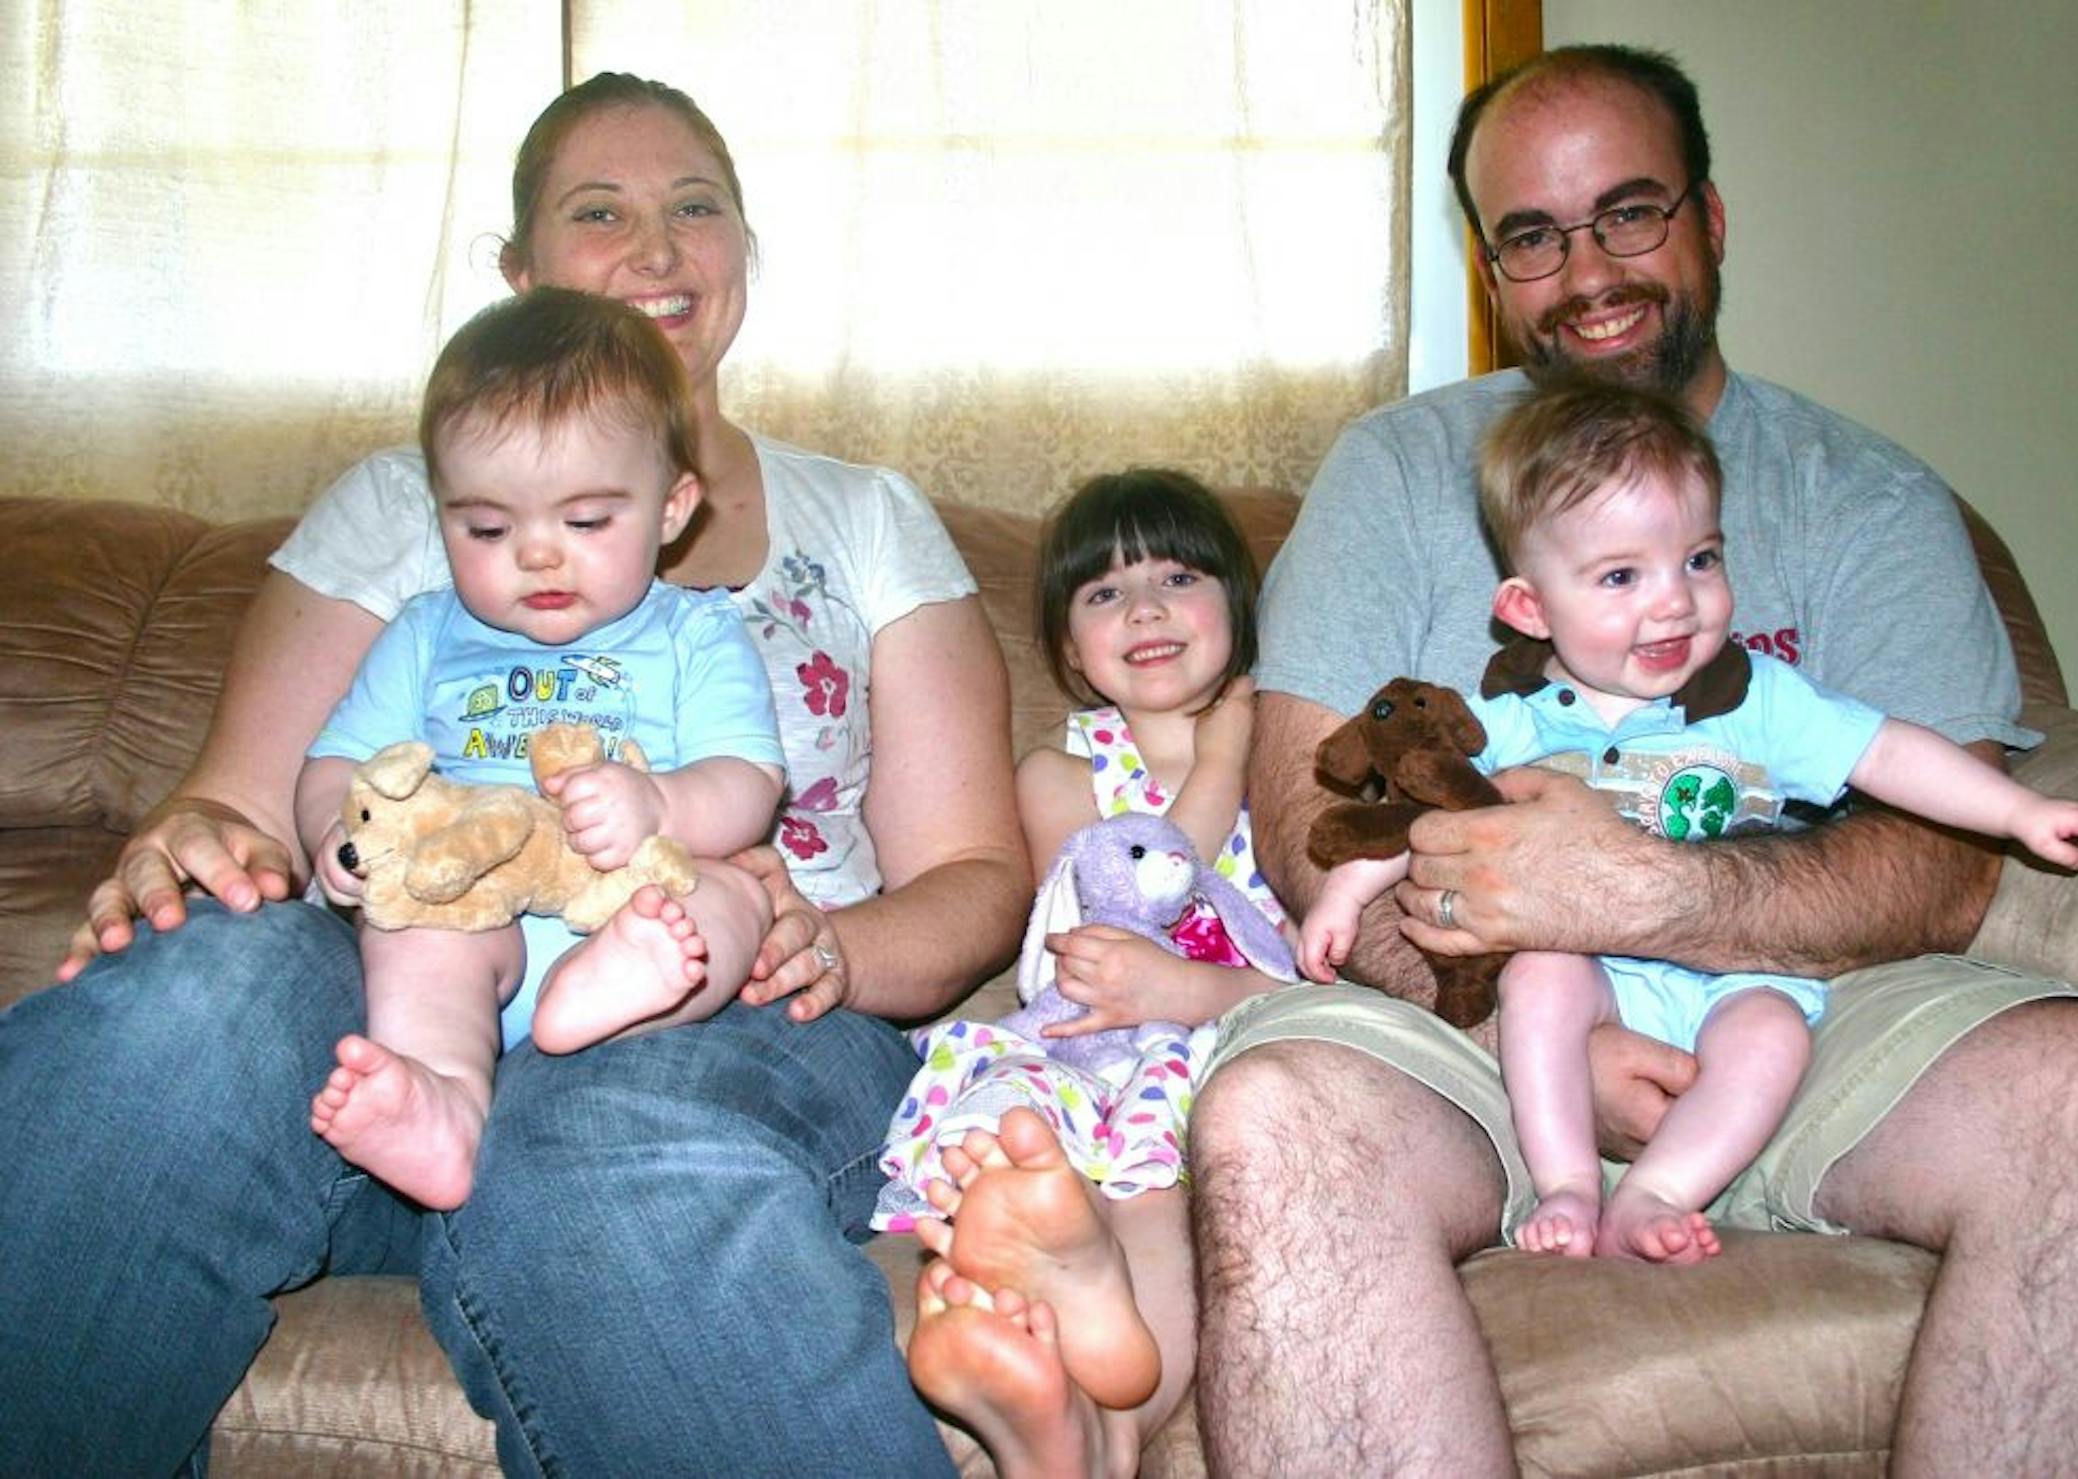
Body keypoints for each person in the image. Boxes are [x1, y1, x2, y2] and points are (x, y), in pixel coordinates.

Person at [0, 72, 1032, 1476]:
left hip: (736, 1024)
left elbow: (976, 874)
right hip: (418, 996)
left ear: (744, 252)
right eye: (600, 210)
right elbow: (252, 803)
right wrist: (197, 845)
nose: (658, 248)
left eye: (695, 209)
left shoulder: (865, 517)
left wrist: (822, 946)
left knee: (606, 1124)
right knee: (191, 996)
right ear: (518, 271)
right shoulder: (400, 507)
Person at [1189, 43, 2078, 1474]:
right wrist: (1561, 1031)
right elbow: (1304, 813)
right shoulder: (1394, 473)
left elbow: (1942, 854)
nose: (1586, 268)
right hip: (1472, 1019)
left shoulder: (1867, 497)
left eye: (1629, 212)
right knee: (1274, 1119)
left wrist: (1650, 900)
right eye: (1533, 233)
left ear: (1710, 218)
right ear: (1490, 268)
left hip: (1805, 1009)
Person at [1296, 379, 2078, 1265]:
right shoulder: (1514, 718)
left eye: (1700, 560)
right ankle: (1568, 1183)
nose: (1675, 601)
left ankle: (1664, 1187)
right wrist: (1343, 901)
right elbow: (1423, 816)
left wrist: (2022, 811)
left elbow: (1890, 754)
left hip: (1737, 964)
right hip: (1598, 973)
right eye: (1622, 576)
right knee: (1539, 980)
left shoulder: (1761, 699)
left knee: (1774, 1033)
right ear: (1530, 608)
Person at [301, 288, 788, 1211]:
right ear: (441, 512)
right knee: (411, 929)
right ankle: (446, 1098)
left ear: (673, 505)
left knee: (732, 898)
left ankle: (612, 988)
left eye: (588, 522)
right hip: (469, 892)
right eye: (487, 528)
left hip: (635, 901)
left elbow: (749, 781)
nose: (537, 555)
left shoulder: (696, 633)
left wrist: (661, 807)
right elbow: (338, 765)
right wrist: (341, 838)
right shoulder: (425, 633)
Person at [889, 470, 1292, 1476]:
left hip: (1238, 1045)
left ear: (1238, 611)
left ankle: (1099, 1434)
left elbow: (1308, 992)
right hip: (1093, 1049)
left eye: (1178, 577)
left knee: (1162, 1197)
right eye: (1104, 592)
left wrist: (1198, 994)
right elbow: (1146, 889)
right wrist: (1221, 758)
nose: (1145, 608)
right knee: (1044, 1159)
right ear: (1070, 648)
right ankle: (1061, 1313)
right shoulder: (1058, 775)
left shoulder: (1295, 765)